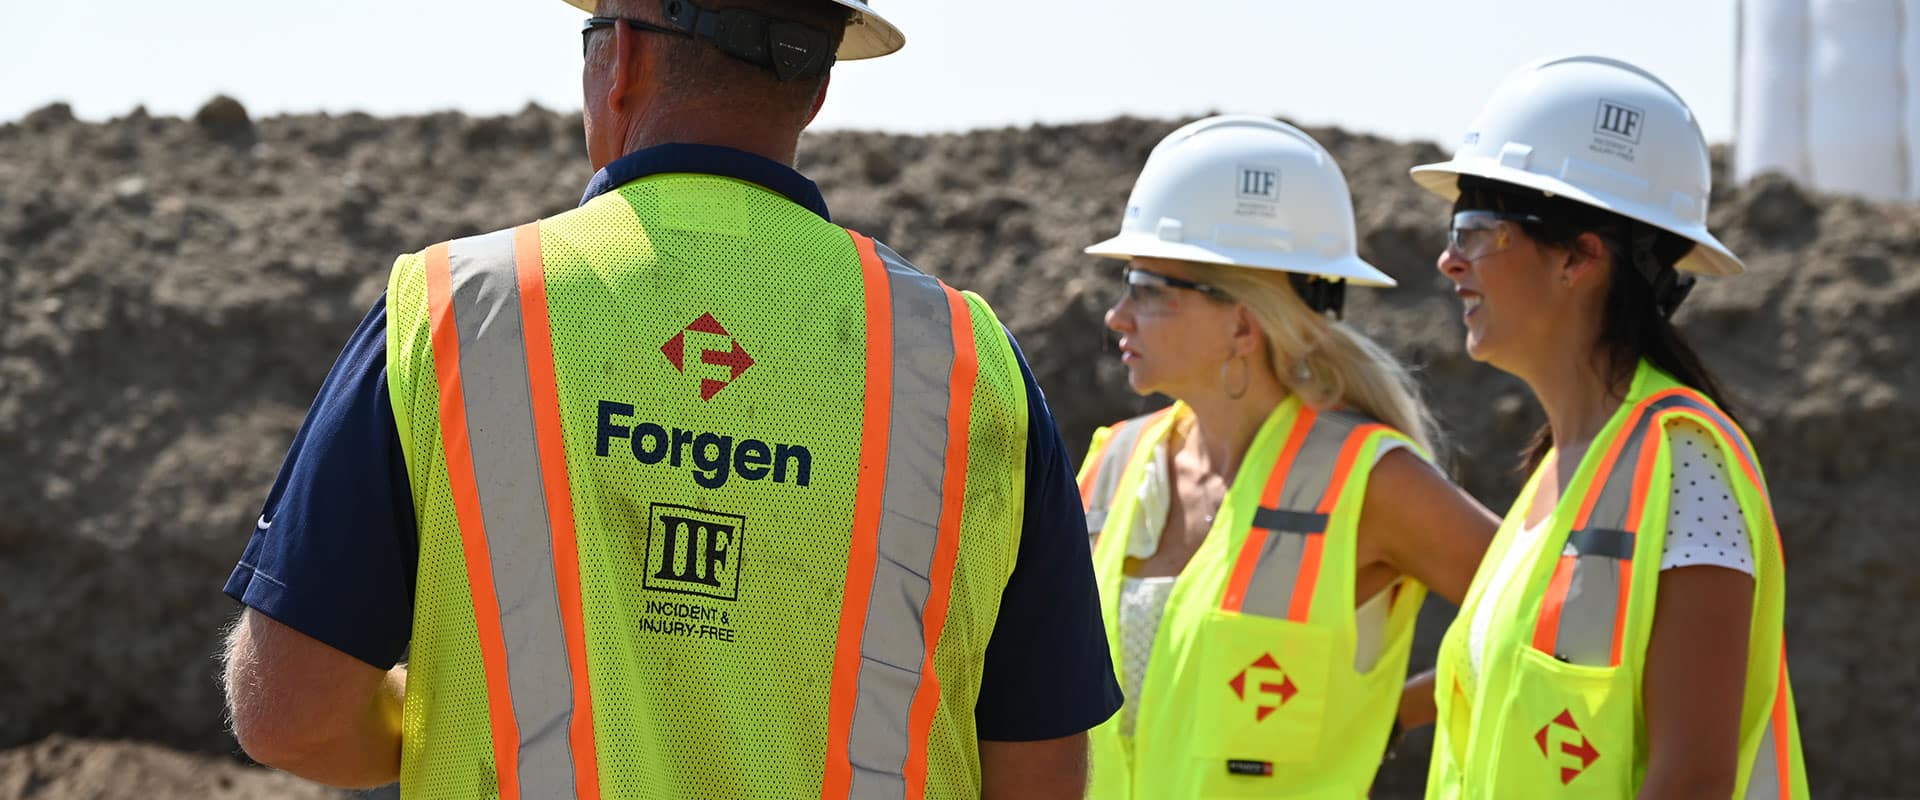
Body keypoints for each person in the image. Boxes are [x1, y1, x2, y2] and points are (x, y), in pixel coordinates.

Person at [217, 1, 1122, 797]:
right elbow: (1039, 773)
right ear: (814, 90)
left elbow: (289, 713)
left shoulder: (458, 309)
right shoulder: (967, 362)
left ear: (622, 64)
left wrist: (459, 706)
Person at [1409, 55, 1809, 798]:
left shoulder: (1685, 462)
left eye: (1474, 229)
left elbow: (1691, 778)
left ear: (1580, 258)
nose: (1448, 260)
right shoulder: (1563, 475)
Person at [1073, 115, 1498, 798]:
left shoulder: (1369, 482)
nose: (1116, 315)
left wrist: (1386, 716)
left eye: (1148, 290)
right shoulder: (1114, 464)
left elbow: (1539, 617)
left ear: (1242, 322)